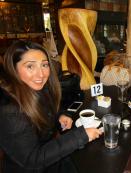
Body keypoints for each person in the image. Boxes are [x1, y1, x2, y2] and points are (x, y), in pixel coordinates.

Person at [0, 40, 102, 173]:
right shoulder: (9, 110)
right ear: (14, 68)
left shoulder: (37, 88)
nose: (41, 74)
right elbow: (33, 160)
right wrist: (80, 136)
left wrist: (61, 115)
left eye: (44, 65)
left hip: (52, 160)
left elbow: (48, 108)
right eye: (30, 66)